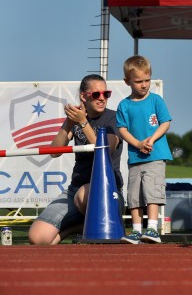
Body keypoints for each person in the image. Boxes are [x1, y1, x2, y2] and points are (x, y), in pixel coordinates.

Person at [28, 74, 124, 245]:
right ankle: (79, 226)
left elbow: (105, 150)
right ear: (83, 96)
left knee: (83, 195)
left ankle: (89, 227)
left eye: (106, 94)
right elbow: (54, 152)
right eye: (96, 94)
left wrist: (83, 122)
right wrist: (69, 123)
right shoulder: (77, 119)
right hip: (75, 189)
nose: (102, 99)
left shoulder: (114, 118)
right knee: (38, 238)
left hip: (108, 191)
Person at [117, 55, 173, 244]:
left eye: (147, 80)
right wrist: (138, 144)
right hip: (135, 157)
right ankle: (136, 231)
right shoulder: (124, 105)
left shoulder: (156, 100)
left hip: (156, 156)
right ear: (127, 82)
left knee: (152, 191)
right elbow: (122, 130)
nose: (144, 85)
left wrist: (152, 139)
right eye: (139, 81)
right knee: (134, 194)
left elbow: (166, 122)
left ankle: (152, 229)